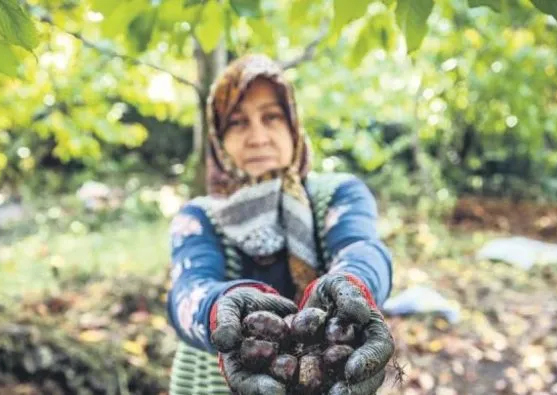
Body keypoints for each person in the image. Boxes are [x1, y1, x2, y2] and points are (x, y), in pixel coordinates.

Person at [165, 53, 395, 395]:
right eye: (237, 122)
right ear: (219, 139)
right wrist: (220, 310)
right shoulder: (198, 217)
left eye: (271, 117)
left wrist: (353, 285)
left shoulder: (338, 196)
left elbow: (362, 249)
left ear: (293, 126)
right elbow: (188, 290)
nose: (257, 137)